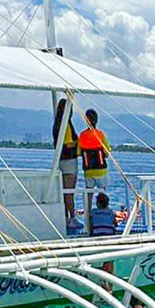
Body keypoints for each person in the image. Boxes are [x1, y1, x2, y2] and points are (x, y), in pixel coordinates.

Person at [53, 98, 80, 229]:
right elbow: (68, 143)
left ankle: (65, 217)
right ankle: (72, 218)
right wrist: (79, 143)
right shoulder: (66, 124)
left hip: (61, 161)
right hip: (69, 161)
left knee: (64, 191)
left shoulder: (56, 123)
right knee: (69, 191)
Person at [78, 109, 110, 189]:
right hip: (101, 170)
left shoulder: (82, 135)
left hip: (88, 171)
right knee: (102, 192)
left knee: (89, 193)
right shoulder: (100, 134)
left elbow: (78, 152)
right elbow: (106, 153)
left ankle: (88, 202)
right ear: (96, 120)